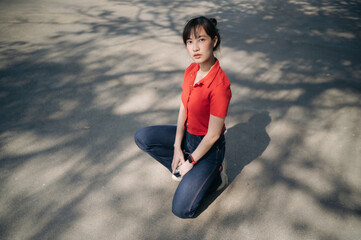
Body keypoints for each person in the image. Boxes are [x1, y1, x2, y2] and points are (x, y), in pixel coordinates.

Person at [134, 16, 232, 218]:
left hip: (209, 149)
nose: (195, 47)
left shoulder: (220, 85)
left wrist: (190, 162)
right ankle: (188, 168)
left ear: (214, 41)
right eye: (189, 41)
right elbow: (183, 109)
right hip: (189, 137)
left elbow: (213, 136)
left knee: (182, 210)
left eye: (201, 40)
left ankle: (216, 176)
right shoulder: (191, 70)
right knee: (142, 137)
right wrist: (177, 147)